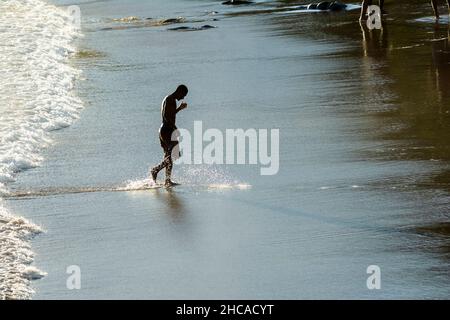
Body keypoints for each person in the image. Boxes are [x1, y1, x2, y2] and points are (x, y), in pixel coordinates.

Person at [150, 85, 188, 187]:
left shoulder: (169, 99)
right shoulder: (170, 100)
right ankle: (156, 171)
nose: (183, 98)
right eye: (183, 95)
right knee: (175, 154)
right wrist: (175, 129)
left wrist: (179, 108)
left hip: (163, 129)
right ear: (179, 91)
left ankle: (166, 179)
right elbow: (167, 117)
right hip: (168, 130)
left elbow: (169, 114)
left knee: (169, 155)